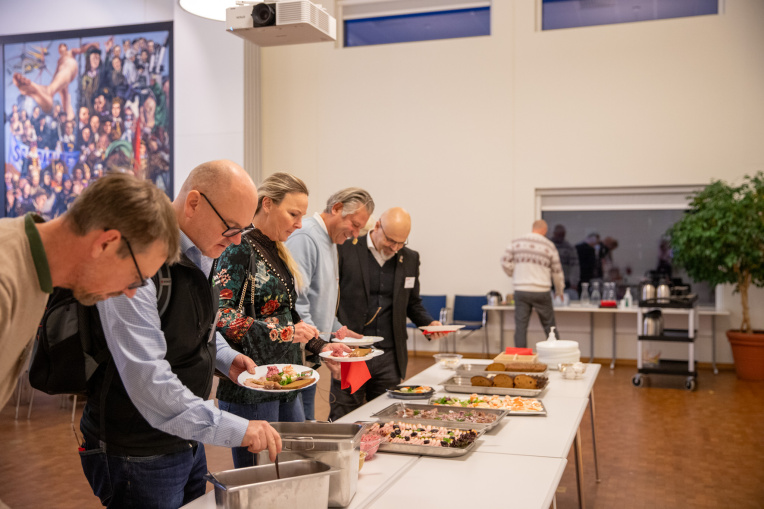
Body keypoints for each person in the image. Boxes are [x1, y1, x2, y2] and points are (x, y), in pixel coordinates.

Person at [78, 160, 283, 509]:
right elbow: (148, 379)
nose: (235, 241)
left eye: (242, 231)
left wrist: (226, 358)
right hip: (137, 450)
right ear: (193, 203)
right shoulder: (136, 259)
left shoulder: (206, 251)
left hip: (185, 435)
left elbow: (198, 327)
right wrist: (236, 429)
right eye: (231, 228)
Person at [0, 172, 179, 412]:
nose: (130, 293)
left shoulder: (38, 272)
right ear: (105, 244)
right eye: (135, 279)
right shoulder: (6, 280)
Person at [214, 173, 350, 468]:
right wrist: (284, 333)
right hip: (251, 382)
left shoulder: (275, 248)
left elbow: (287, 313)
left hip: (287, 378)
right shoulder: (239, 247)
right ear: (267, 204)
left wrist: (320, 345)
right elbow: (221, 316)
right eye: (293, 214)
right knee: (261, 475)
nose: (299, 224)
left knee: (294, 466)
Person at [329, 207, 447, 420]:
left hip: (389, 355)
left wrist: (429, 323)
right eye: (391, 240)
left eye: (401, 243)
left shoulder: (410, 258)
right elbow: (330, 298)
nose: (395, 248)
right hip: (352, 351)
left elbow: (412, 303)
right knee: (346, 414)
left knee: (389, 415)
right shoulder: (345, 250)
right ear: (377, 227)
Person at [285, 187, 375, 420]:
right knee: (298, 427)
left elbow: (320, 301)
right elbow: (296, 304)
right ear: (336, 208)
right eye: (354, 225)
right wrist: (321, 346)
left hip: (310, 353)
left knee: (307, 421)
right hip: (295, 356)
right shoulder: (306, 236)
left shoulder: (331, 240)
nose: (356, 234)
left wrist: (337, 330)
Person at [501, 219, 564, 348]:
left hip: (521, 290)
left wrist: (514, 273)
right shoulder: (549, 246)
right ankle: (558, 355)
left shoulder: (517, 242)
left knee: (520, 327)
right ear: (545, 230)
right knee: (549, 326)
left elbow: (504, 261)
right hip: (541, 290)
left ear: (533, 228)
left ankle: (520, 359)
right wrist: (559, 290)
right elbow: (557, 271)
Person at [13, 41, 99, 119]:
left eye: (62, 47)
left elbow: (81, 50)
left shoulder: (70, 52)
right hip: (63, 78)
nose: (60, 49)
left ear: (66, 47)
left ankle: (39, 89)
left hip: (69, 68)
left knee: (53, 88)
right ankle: (47, 100)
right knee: (64, 100)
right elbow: (56, 75)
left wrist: (92, 44)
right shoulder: (59, 61)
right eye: (59, 48)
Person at [550, 224, 579, 292]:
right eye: (559, 234)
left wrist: (574, 282)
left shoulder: (569, 248)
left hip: (565, 281)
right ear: (554, 233)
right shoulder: (548, 246)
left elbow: (574, 266)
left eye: (562, 234)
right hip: (550, 281)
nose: (560, 236)